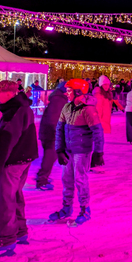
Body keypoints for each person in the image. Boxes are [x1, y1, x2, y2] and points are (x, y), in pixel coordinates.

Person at [0, 80, 38, 256]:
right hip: (23, 159)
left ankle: (6, 239)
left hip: (14, 161)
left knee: (4, 199)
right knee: (14, 195)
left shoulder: (15, 111)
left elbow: (5, 143)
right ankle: (20, 231)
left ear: (10, 93)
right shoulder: (22, 107)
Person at [49, 79, 104, 225]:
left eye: (69, 90)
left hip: (82, 151)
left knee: (80, 180)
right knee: (66, 180)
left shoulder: (88, 109)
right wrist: (59, 149)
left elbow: (97, 131)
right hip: (68, 150)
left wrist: (99, 153)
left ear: (78, 92)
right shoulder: (66, 107)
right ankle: (67, 208)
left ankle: (85, 210)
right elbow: (60, 129)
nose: (66, 93)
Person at [36, 80, 68, 190]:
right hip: (51, 133)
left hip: (49, 132)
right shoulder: (59, 100)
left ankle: (42, 176)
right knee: (50, 156)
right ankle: (42, 180)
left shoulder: (58, 99)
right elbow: (54, 118)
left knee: (50, 156)